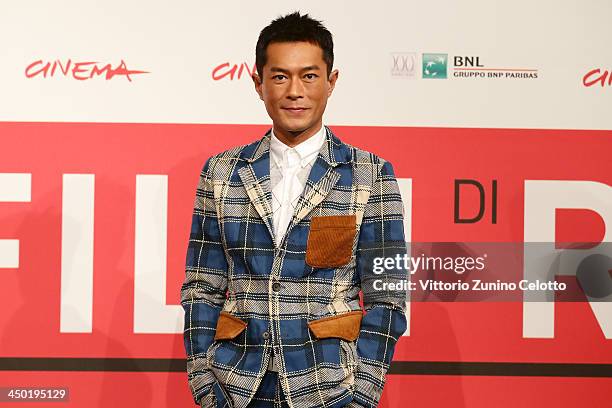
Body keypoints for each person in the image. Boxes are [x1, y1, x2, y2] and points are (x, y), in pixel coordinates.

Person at [182, 11, 408, 408]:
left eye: (309, 76)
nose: (294, 91)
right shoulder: (222, 171)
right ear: (259, 83)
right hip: (234, 386)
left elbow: (387, 297)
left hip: (328, 387)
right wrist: (204, 381)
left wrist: (363, 393)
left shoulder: (370, 175)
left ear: (331, 81)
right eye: (280, 76)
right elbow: (203, 285)